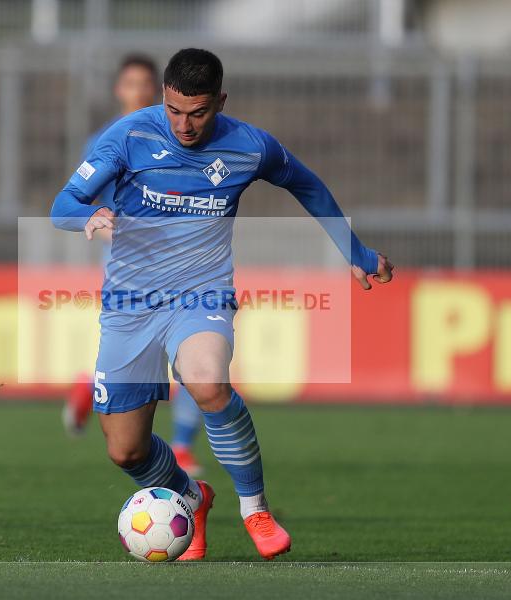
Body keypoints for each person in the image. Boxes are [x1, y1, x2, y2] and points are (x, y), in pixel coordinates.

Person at [51, 48, 394, 561]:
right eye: (174, 111)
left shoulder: (249, 146)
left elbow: (307, 185)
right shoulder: (130, 135)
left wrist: (356, 252)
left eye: (198, 112)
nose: (184, 125)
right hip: (130, 303)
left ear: (220, 102)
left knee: (208, 382)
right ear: (164, 97)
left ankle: (254, 508)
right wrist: (90, 218)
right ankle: (191, 496)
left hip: (201, 291)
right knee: (126, 449)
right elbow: (62, 206)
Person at [62, 54, 205, 476]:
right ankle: (91, 388)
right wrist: (112, 229)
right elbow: (81, 201)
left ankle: (180, 447)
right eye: (131, 84)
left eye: (147, 84)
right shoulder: (107, 141)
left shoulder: (179, 136)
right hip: (131, 272)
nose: (139, 92)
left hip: (186, 269)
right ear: (119, 90)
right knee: (141, 362)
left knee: (197, 359)